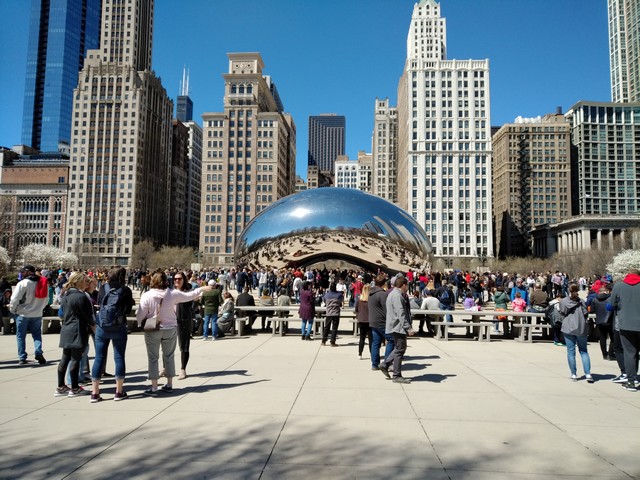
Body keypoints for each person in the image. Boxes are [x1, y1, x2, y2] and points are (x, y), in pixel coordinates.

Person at [136, 271, 210, 396]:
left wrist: (140, 322)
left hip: (153, 328)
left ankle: (154, 387)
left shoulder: (147, 295)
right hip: (170, 328)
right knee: (169, 356)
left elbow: (140, 314)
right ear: (166, 281)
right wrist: (201, 288)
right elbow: (189, 296)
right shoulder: (172, 294)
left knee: (153, 358)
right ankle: (169, 383)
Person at [90, 267, 134, 402]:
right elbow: (127, 310)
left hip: (102, 327)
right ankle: (119, 391)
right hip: (119, 327)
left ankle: (95, 392)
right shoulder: (125, 290)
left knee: (99, 358)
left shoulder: (104, 287)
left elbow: (99, 303)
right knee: (119, 357)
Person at [54, 272, 95, 397]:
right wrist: (93, 325)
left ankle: (61, 386)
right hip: (78, 329)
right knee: (76, 359)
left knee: (65, 358)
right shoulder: (81, 297)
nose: (86, 283)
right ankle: (75, 387)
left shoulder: (66, 295)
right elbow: (87, 315)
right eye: (84, 281)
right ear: (78, 282)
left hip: (66, 328)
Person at [609, 268, 640, 392]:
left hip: (626, 324)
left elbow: (612, 304)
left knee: (630, 353)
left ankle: (631, 380)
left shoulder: (619, 286)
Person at [10, 265, 48, 365]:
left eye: (23, 271)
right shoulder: (42, 283)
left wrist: (13, 310)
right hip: (37, 313)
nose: (21, 273)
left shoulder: (23, 283)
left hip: (23, 313)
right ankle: (38, 351)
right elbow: (46, 299)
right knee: (36, 334)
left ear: (29, 272)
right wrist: (40, 308)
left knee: (20, 336)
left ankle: (22, 357)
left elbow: (14, 299)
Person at [379, 276, 415, 384]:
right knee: (400, 350)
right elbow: (401, 313)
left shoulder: (393, 294)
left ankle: (385, 364)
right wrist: (408, 328)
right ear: (404, 285)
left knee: (399, 348)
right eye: (407, 285)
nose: (407, 287)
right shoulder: (397, 296)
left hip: (395, 325)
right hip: (398, 326)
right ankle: (396, 375)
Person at [559, 284, 593, 383]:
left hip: (568, 327)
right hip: (581, 327)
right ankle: (588, 373)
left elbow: (562, 312)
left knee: (571, 351)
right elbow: (586, 313)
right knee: (584, 351)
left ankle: (573, 374)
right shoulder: (581, 301)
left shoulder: (564, 301)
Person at [174, 272, 196, 380]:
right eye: (175, 279)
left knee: (184, 347)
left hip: (183, 321)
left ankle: (183, 369)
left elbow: (193, 301)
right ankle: (165, 368)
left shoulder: (188, 293)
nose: (177, 281)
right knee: (167, 346)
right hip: (171, 321)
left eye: (179, 279)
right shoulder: (171, 292)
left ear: (184, 280)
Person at [369, 274, 393, 371]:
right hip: (382, 322)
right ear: (384, 283)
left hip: (373, 321)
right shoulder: (382, 294)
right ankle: (386, 363)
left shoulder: (370, 293)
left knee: (376, 343)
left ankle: (375, 364)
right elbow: (387, 309)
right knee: (391, 340)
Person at [591, 285, 614, 360]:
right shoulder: (611, 298)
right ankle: (610, 354)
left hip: (599, 321)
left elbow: (592, 310)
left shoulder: (594, 299)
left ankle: (604, 354)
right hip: (610, 320)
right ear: (606, 291)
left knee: (602, 338)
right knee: (613, 338)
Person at [355, 284, 372, 359]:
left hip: (361, 320)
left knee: (362, 338)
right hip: (370, 320)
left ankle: (360, 353)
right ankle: (372, 354)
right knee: (371, 339)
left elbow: (356, 309)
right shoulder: (371, 299)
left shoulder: (359, 299)